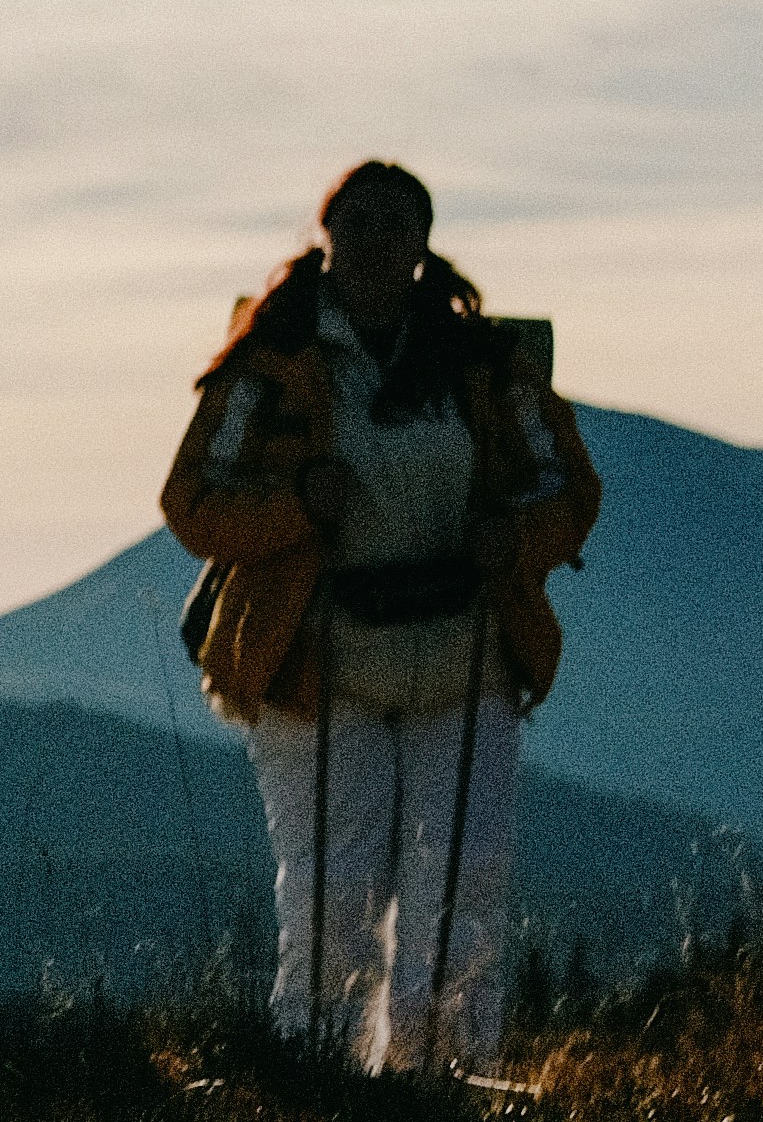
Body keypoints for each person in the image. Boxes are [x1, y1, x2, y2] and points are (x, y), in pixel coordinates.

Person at [157, 162, 596, 1075]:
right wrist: (298, 507)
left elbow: (568, 490)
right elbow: (192, 502)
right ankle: (336, 1077)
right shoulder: (274, 366)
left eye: (393, 227)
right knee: (333, 892)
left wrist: (510, 536)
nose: (373, 244)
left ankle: (431, 1081)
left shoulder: (482, 367)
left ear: (422, 245)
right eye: (357, 226)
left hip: (455, 662)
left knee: (459, 882)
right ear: (326, 240)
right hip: (323, 664)